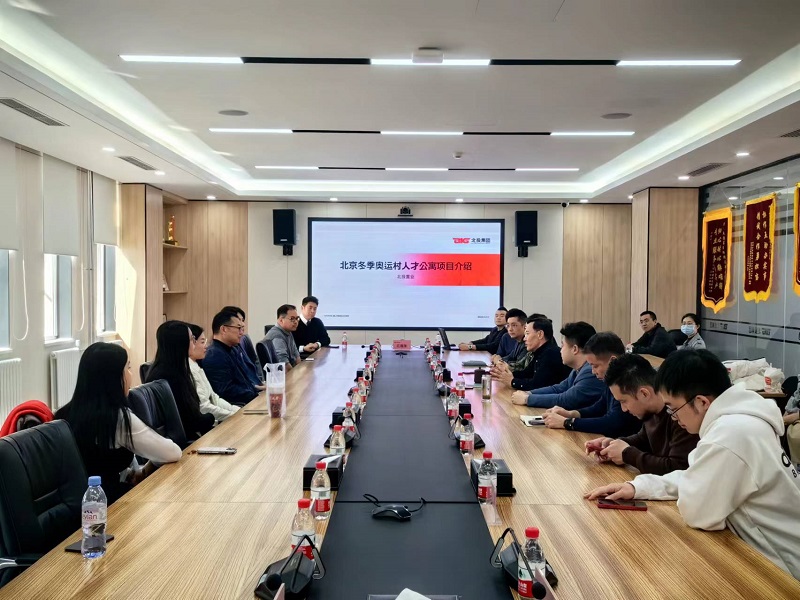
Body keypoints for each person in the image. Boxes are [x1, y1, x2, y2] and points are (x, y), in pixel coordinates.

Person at [586, 350, 800, 579]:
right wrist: (637, 487)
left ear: (701, 402)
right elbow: (699, 475)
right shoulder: (739, 422)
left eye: (673, 408)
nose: (673, 417)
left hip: (785, 566)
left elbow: (697, 513)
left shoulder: (730, 435)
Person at [55, 343, 182, 504]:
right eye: (128, 368)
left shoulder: (63, 414)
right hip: (111, 506)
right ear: (114, 378)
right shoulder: (116, 418)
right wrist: (147, 468)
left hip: (78, 508)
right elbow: (172, 452)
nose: (130, 375)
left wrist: (134, 472)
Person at [584, 353, 699, 475]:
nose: (624, 409)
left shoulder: (682, 415)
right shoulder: (651, 412)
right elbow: (644, 439)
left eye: (623, 401)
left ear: (644, 394)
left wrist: (627, 454)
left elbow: (677, 469)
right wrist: (612, 445)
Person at [541, 332, 641, 436]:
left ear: (612, 361)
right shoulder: (613, 380)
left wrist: (567, 422)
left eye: (595, 366)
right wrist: (571, 414)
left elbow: (612, 423)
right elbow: (599, 407)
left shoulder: (628, 382)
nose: (593, 371)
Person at [511, 321, 606, 411]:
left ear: (575, 349)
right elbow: (559, 388)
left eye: (563, 345)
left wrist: (527, 399)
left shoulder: (590, 371)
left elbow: (566, 400)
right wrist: (528, 393)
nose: (560, 350)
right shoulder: (578, 369)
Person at [146, 321, 215, 438]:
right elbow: (190, 420)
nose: (195, 343)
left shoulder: (171, 368)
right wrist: (211, 417)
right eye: (192, 339)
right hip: (186, 441)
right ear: (180, 343)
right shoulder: (170, 377)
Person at [204, 309, 265, 406]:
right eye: (238, 328)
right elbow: (227, 391)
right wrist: (256, 395)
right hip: (237, 408)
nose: (242, 333)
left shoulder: (232, 348)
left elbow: (242, 381)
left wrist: (257, 389)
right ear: (224, 329)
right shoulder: (214, 355)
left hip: (249, 399)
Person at [490, 317, 568, 391]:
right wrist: (504, 374)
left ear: (540, 334)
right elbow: (526, 374)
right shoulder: (539, 352)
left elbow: (537, 385)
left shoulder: (550, 354)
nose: (524, 338)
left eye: (527, 334)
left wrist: (512, 381)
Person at [188, 324, 240, 422]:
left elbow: (214, 398)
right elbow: (204, 407)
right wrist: (233, 415)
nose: (206, 346)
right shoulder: (190, 369)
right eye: (202, 342)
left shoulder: (195, 365)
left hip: (215, 417)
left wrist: (237, 411)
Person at [221, 305, 263, 383]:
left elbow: (254, 362)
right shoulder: (221, 350)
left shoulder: (239, 342)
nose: (242, 324)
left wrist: (260, 383)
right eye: (239, 320)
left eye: (242, 320)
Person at [265, 304, 302, 369]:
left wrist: (301, 370)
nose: (296, 322)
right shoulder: (277, 336)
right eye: (292, 319)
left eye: (297, 318)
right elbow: (284, 365)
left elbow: (296, 355)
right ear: (281, 320)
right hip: (277, 373)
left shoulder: (288, 331)